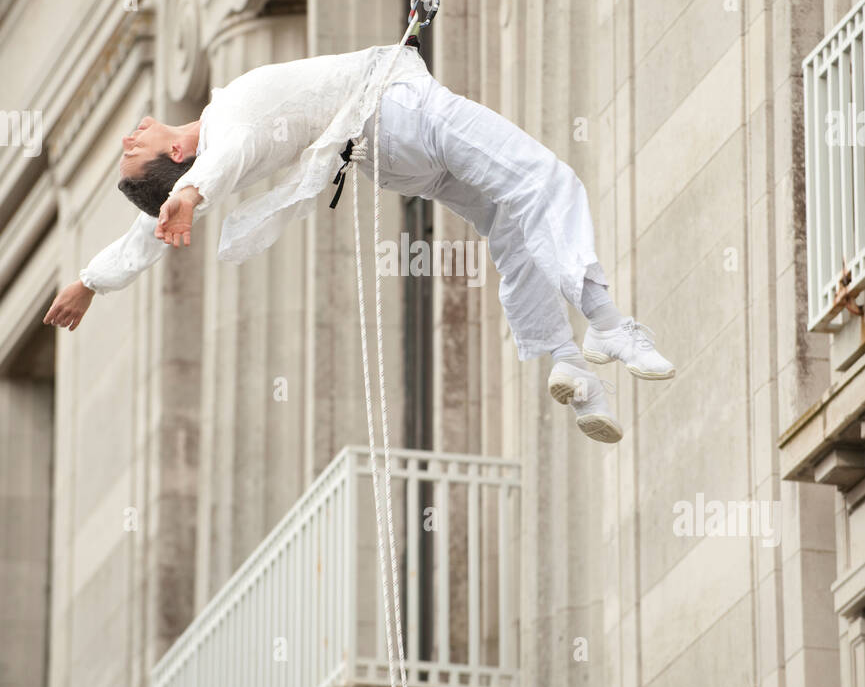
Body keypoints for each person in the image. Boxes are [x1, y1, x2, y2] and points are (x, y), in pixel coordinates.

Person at [44, 41, 674, 442]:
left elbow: (146, 230)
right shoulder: (227, 125)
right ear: (177, 154)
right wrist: (190, 193)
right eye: (136, 152)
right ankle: (608, 321)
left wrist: (90, 280)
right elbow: (221, 160)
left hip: (388, 159)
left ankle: (565, 361)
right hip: (397, 109)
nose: (129, 139)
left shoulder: (218, 139)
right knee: (545, 179)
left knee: (511, 224)